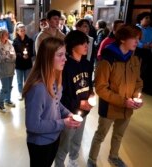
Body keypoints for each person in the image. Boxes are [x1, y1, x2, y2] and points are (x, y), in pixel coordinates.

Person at [87, 24, 143, 167]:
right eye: (134, 38)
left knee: (119, 135)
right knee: (100, 135)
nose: (137, 42)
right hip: (110, 107)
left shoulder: (134, 58)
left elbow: (138, 81)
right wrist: (123, 101)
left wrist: (137, 97)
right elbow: (100, 88)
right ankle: (92, 160)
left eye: (138, 39)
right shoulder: (108, 59)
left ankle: (114, 156)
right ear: (123, 39)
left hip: (127, 107)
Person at [23, 37, 81, 167]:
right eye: (59, 55)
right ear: (47, 58)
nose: (65, 59)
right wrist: (63, 123)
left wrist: (68, 114)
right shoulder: (38, 88)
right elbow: (32, 125)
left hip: (53, 137)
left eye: (64, 54)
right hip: (40, 143)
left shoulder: (53, 78)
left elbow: (56, 102)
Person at [54, 30, 94, 167]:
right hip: (69, 111)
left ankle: (73, 158)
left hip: (84, 110)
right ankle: (59, 163)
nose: (86, 46)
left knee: (78, 138)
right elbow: (60, 95)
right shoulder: (64, 66)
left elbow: (89, 84)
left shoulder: (87, 64)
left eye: (86, 43)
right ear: (72, 45)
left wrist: (92, 95)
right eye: (82, 43)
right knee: (66, 140)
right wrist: (78, 103)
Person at [0, 28, 16, 112]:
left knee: (9, 86)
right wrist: (7, 56)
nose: (7, 35)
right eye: (5, 34)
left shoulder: (10, 43)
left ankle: (7, 100)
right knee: (5, 87)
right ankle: (0, 103)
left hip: (10, 68)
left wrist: (7, 57)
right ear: (1, 35)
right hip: (2, 70)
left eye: (7, 34)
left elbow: (14, 57)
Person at [135, 12, 152, 96]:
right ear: (141, 19)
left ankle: (142, 87)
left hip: (148, 51)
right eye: (146, 18)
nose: (148, 20)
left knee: (145, 69)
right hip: (137, 50)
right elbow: (133, 38)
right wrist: (142, 45)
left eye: (149, 18)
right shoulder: (136, 28)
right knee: (136, 67)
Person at [12, 23, 34, 100]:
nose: (23, 32)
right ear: (17, 31)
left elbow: (32, 52)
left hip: (27, 64)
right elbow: (15, 52)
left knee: (27, 80)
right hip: (19, 64)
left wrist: (28, 55)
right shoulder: (15, 41)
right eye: (21, 31)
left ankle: (27, 92)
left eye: (24, 30)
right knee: (19, 81)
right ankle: (20, 93)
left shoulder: (30, 40)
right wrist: (21, 56)